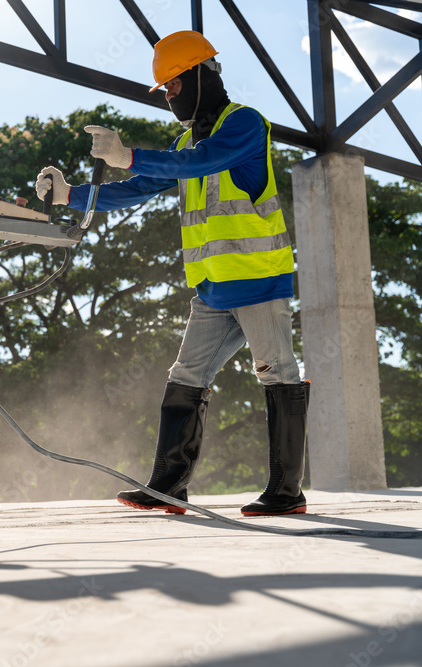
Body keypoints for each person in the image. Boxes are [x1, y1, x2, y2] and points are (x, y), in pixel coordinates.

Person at [35, 30, 310, 516]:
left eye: (172, 87)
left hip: (256, 280)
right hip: (210, 288)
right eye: (163, 91)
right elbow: (140, 187)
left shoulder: (245, 124)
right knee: (186, 376)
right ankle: (168, 487)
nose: (168, 98)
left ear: (199, 76)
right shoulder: (187, 141)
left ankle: (286, 493)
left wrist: (127, 155)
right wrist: (69, 195)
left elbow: (206, 161)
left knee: (277, 374)